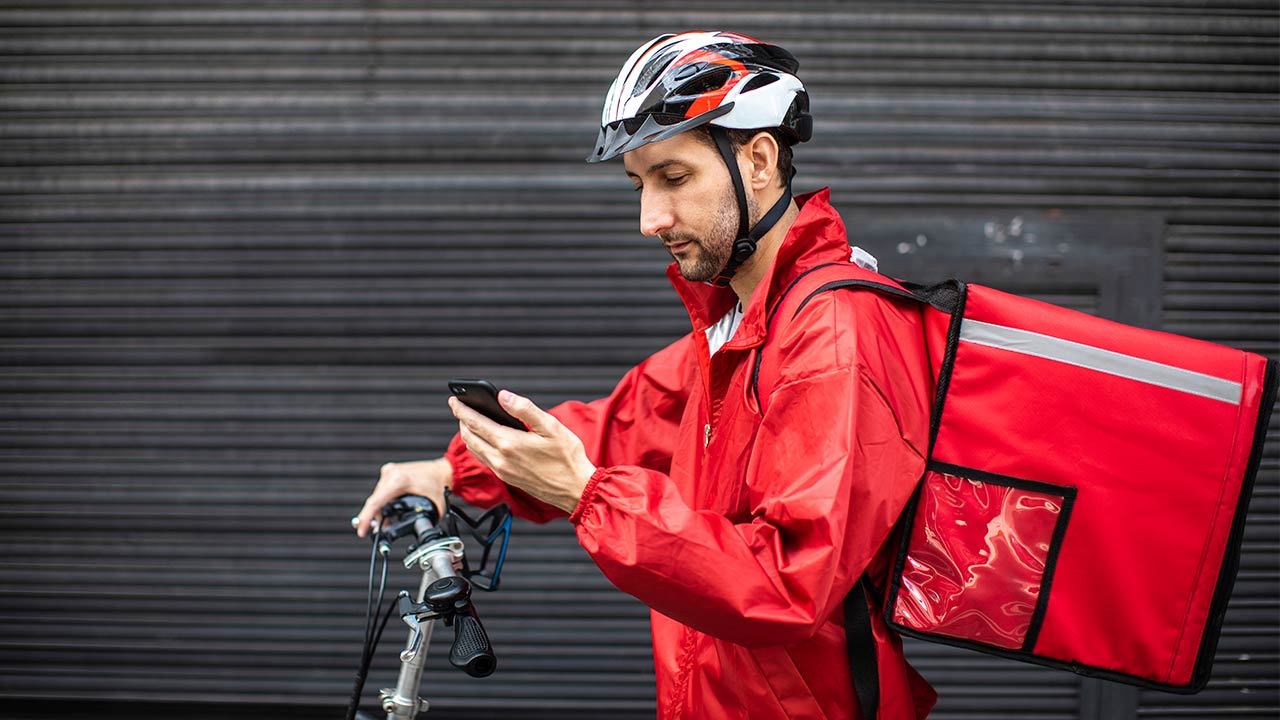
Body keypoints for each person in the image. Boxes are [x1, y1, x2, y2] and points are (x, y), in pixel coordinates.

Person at [354, 31, 937, 719]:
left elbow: (788, 582)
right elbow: (625, 422)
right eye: (639, 183)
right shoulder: (744, 322)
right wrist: (458, 469)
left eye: (674, 177)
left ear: (759, 159)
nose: (648, 219)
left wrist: (589, 497)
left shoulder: (835, 332)